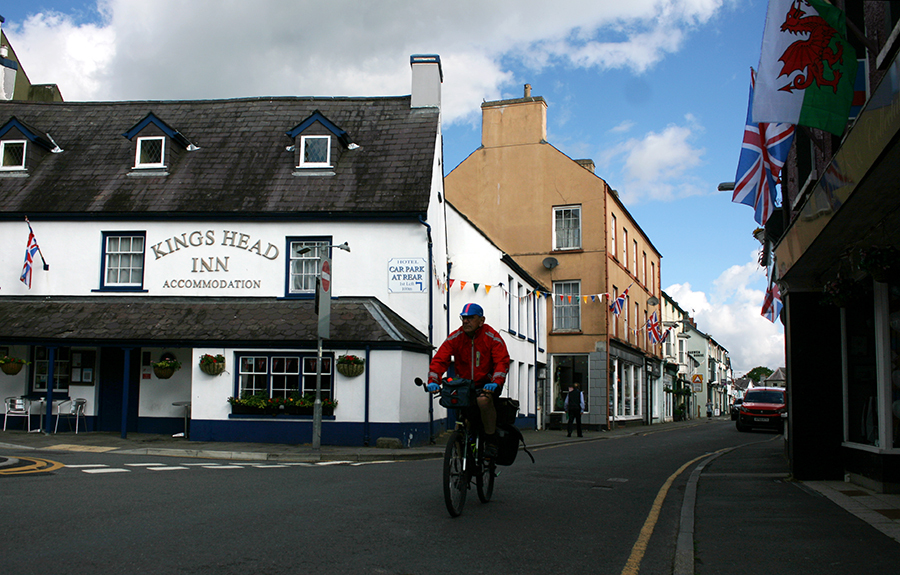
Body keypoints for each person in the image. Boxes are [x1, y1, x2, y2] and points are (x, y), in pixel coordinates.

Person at [427, 303, 510, 459]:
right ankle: (464, 449)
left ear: (481, 320)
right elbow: (440, 359)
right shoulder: (456, 337)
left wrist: (496, 381)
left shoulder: (491, 337)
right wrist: (433, 380)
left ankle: (491, 441)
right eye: (463, 318)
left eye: (470, 318)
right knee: (462, 413)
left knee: (483, 401)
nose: (466, 322)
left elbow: (502, 361)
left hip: (487, 383)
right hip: (464, 385)